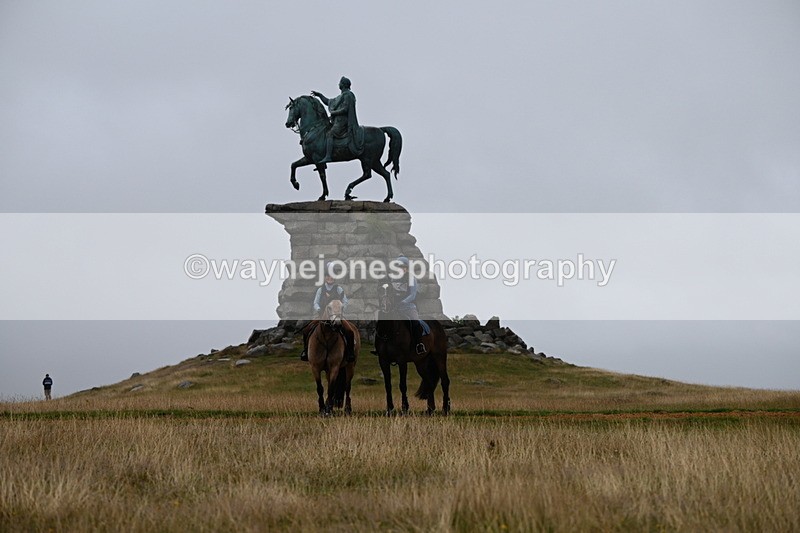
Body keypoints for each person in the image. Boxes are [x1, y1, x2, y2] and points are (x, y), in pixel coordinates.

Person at [299, 264, 356, 363]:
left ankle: (350, 353)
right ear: (325, 278)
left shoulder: (339, 289)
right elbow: (315, 303)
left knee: (350, 331)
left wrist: (340, 309)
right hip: (323, 316)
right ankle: (305, 352)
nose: (330, 278)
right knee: (306, 330)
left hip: (337, 315)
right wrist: (319, 309)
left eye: (332, 276)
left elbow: (345, 301)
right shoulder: (320, 290)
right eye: (328, 276)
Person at [311, 76, 364, 164]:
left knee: (330, 134)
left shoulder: (348, 95)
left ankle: (328, 156)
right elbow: (328, 102)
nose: (338, 84)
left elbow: (346, 109)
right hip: (337, 121)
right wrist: (320, 95)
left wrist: (334, 113)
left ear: (343, 85)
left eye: (340, 83)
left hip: (343, 122)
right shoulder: (341, 96)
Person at [390, 256, 430, 355]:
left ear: (407, 268)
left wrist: (403, 302)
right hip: (395, 308)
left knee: (415, 323)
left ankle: (419, 345)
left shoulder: (412, 279)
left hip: (408, 307)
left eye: (403, 267)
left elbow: (413, 295)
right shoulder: (392, 279)